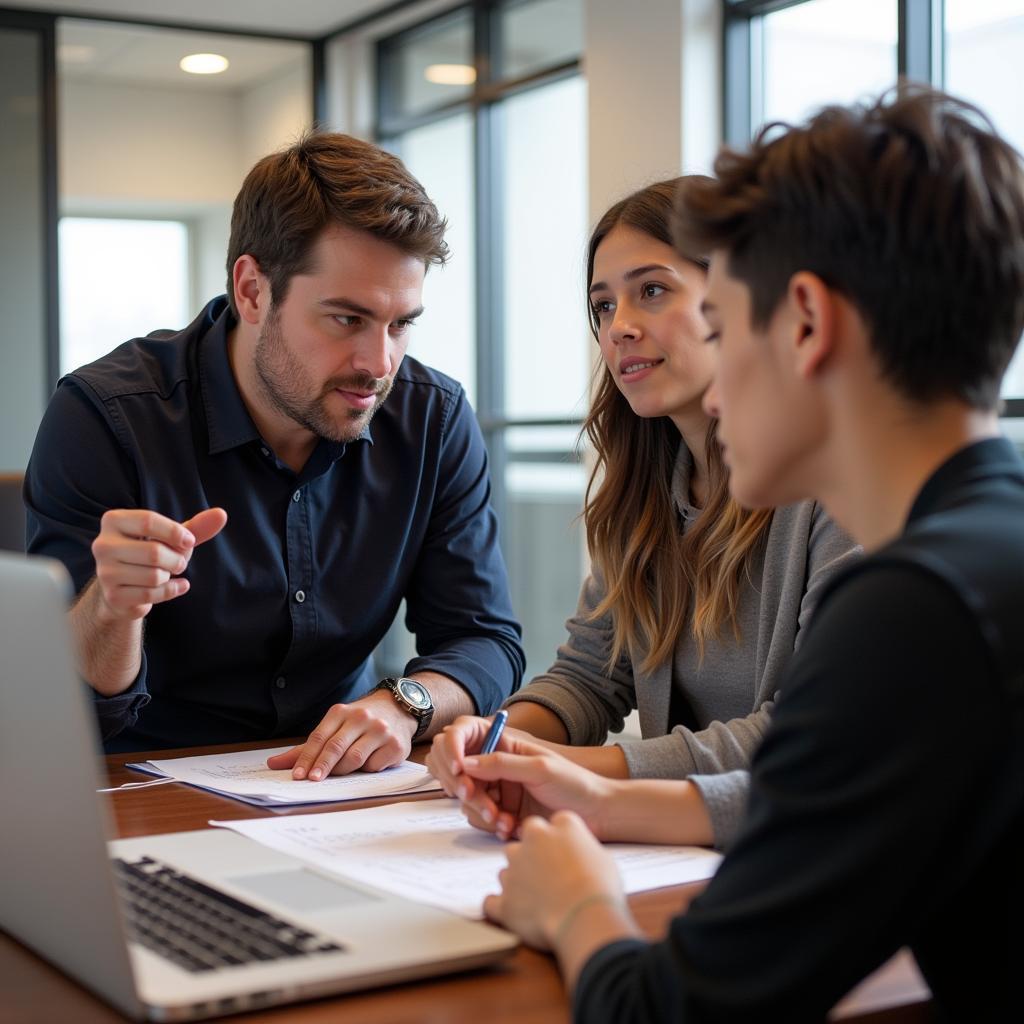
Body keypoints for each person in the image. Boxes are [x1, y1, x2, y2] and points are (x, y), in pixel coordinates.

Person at [437, 85, 1024, 1021]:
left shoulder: (915, 610)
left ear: (804, 322)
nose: (714, 394)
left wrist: (577, 902)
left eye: (724, 325)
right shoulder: (984, 551)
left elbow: (676, 1010)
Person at [25, 132, 524, 771]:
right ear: (253, 290)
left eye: (400, 324)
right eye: (347, 319)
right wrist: (112, 609)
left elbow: (483, 638)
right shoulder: (106, 416)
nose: (379, 365)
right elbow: (70, 699)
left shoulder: (434, 418)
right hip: (145, 787)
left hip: (336, 790)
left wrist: (407, 702)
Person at [430, 178, 855, 847]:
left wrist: (582, 774)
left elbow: (813, 733)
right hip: (688, 853)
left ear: (743, 302)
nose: (618, 326)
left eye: (651, 290)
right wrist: (498, 739)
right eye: (602, 306)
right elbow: (591, 676)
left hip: (799, 853)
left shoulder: (840, 486)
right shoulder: (646, 492)